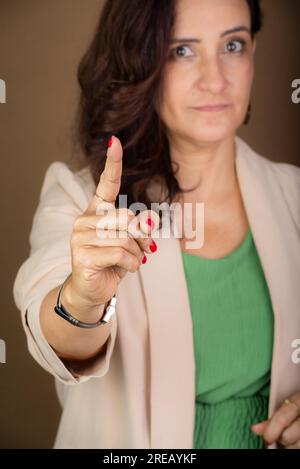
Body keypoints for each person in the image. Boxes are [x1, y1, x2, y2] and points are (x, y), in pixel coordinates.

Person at [13, 0, 300, 449]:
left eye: (233, 44)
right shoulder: (77, 198)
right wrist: (81, 300)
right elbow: (54, 339)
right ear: (141, 61)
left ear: (253, 51)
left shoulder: (294, 194)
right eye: (182, 51)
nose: (215, 78)